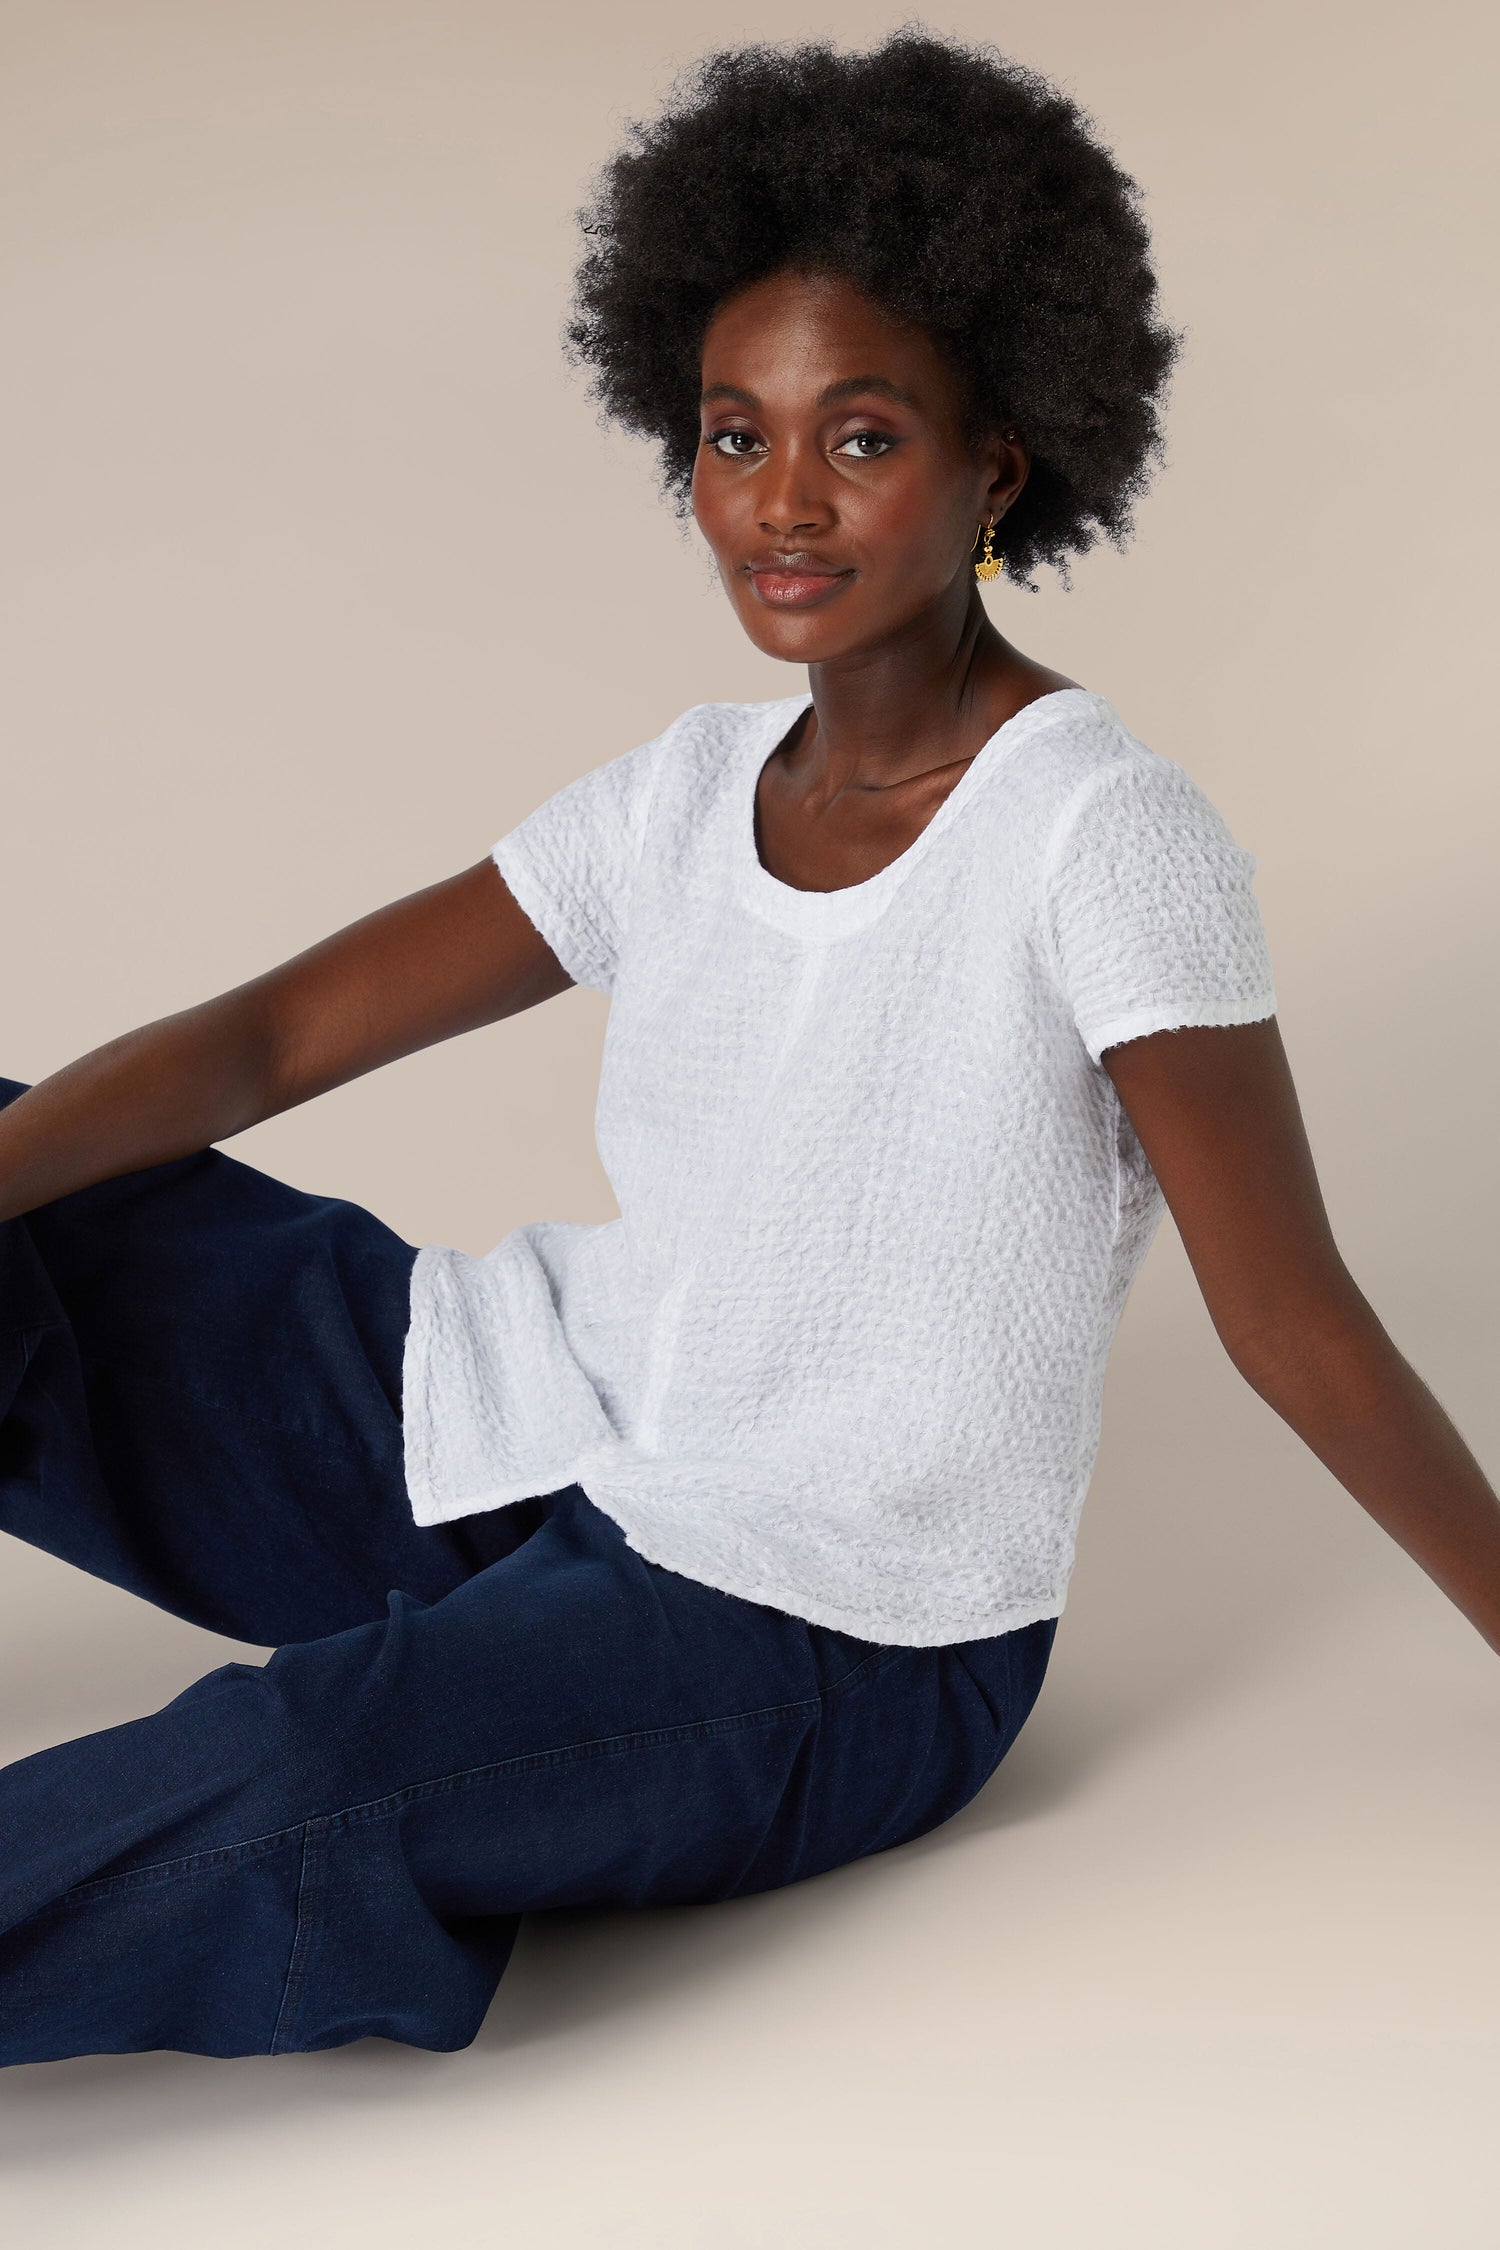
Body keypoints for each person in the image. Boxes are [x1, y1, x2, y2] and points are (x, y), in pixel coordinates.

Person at [1, 27, 1495, 2069]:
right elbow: (267, 1037)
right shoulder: (684, 794)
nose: (779, 503)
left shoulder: (1101, 837)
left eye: (861, 438)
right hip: (505, 1442)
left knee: (286, 1777)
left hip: (827, 1626)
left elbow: (1295, 1319)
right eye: (731, 433)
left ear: (999, 463)